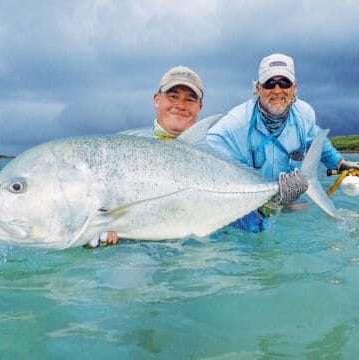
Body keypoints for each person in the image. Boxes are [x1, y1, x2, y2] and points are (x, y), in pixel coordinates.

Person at [207, 53, 359, 233]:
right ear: (258, 88)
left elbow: (315, 137)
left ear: (294, 87)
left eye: (284, 83)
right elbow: (206, 155)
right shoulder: (232, 127)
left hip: (290, 198)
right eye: (269, 83)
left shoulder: (305, 114)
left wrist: (339, 163)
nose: (277, 90)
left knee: (300, 214)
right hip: (250, 205)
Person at [86, 66, 204, 247]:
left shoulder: (214, 152)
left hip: (196, 250)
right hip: (137, 250)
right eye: (173, 97)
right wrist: (97, 224)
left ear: (199, 108)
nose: (180, 105)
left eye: (189, 100)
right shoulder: (122, 150)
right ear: (157, 99)